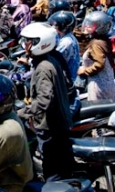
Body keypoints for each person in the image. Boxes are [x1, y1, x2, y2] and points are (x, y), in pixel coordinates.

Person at [19, 23, 74, 179]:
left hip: (51, 127)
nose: (26, 45)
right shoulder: (51, 58)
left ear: (40, 43)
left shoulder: (43, 67)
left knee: (52, 169)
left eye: (29, 41)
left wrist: (23, 112)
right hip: (60, 121)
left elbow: (44, 101)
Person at [78, 11, 115, 100]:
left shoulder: (96, 44)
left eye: (90, 25)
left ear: (99, 27)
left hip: (98, 84)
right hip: (106, 82)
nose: (87, 26)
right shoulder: (103, 40)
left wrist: (85, 71)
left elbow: (99, 64)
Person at [48, 11, 80, 81]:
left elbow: (52, 60)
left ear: (63, 26)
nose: (53, 26)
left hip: (67, 79)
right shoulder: (66, 37)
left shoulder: (66, 42)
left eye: (56, 25)